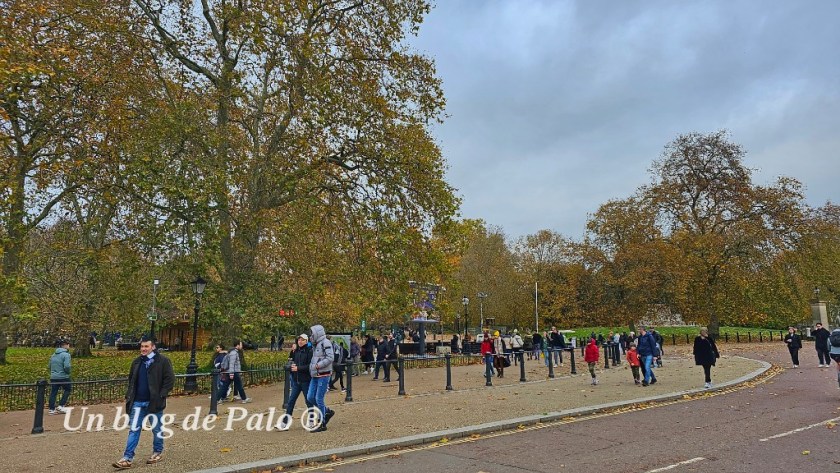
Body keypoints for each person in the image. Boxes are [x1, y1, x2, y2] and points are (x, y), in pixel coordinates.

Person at [112, 337, 174, 469]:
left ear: (153, 347)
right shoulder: (137, 362)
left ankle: (157, 452)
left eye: (146, 346)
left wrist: (161, 395)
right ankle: (127, 458)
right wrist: (129, 396)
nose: (143, 349)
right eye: (142, 346)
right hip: (137, 402)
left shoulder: (162, 361)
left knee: (157, 429)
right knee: (134, 430)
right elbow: (132, 380)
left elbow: (169, 380)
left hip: (154, 402)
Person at [280, 334, 314, 429]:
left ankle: (311, 420)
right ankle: (285, 422)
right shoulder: (296, 351)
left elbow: (310, 366)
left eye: (302, 340)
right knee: (291, 401)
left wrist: (298, 368)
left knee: (308, 401)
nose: (300, 341)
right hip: (296, 380)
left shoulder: (309, 351)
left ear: (306, 341)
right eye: (299, 340)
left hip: (305, 380)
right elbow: (292, 360)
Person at [307, 324, 334, 433]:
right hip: (315, 374)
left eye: (312, 333)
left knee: (319, 398)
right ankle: (326, 411)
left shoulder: (325, 342)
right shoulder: (316, 344)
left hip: (323, 374)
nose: (311, 336)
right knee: (310, 397)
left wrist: (319, 365)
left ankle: (322, 423)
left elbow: (330, 357)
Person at [48, 340, 72, 415]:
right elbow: (67, 366)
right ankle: (61, 405)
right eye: (68, 345)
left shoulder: (53, 355)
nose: (69, 346)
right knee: (68, 389)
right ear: (65, 345)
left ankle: (51, 409)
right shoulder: (66, 355)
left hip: (53, 377)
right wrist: (67, 372)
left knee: (53, 392)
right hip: (63, 376)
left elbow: (49, 366)